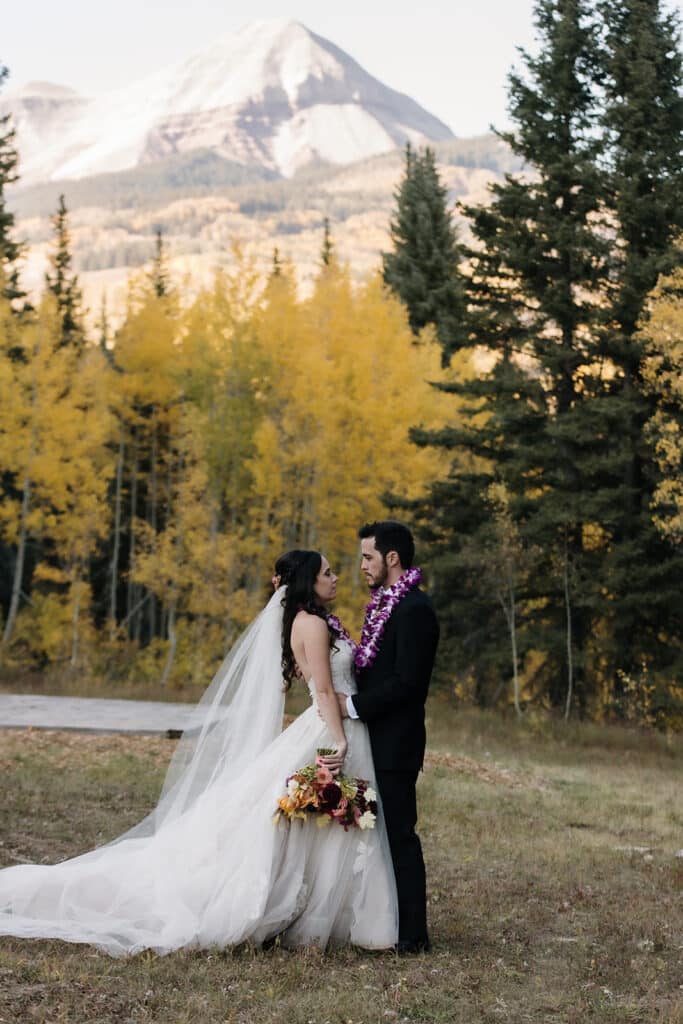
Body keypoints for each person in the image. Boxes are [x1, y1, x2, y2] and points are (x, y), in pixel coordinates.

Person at [0, 552, 398, 955]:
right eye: (327, 573)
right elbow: (325, 690)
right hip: (330, 726)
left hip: (336, 723)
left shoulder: (316, 621)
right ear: (308, 582)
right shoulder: (310, 623)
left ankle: (337, 914)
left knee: (326, 822)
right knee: (317, 817)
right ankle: (324, 915)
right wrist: (339, 739)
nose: (334, 578)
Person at [338, 521, 439, 954]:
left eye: (368, 556)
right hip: (371, 739)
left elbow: (408, 683)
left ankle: (413, 935)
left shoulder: (415, 609)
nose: (362, 565)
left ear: (391, 558)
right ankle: (381, 920)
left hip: (396, 743)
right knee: (372, 835)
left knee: (399, 834)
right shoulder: (382, 606)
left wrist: (353, 706)